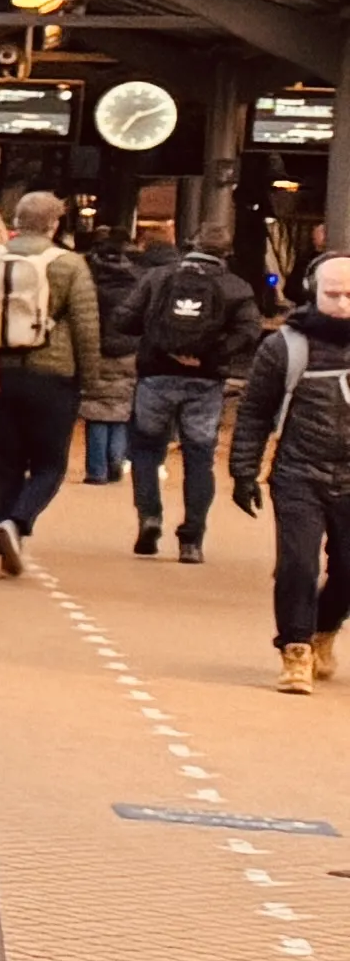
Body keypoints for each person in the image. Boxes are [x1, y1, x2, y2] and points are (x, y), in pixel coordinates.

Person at [230, 248, 350, 689]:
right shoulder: (284, 347)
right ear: (312, 292)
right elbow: (254, 412)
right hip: (300, 473)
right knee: (297, 564)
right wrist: (244, 471)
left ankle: (324, 628)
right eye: (333, 294)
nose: (342, 304)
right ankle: (295, 650)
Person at [115, 208, 262, 559]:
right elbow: (250, 332)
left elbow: (124, 319)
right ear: (226, 253)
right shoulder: (236, 287)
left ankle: (149, 517)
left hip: (156, 375)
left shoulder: (158, 277)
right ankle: (192, 538)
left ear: (190, 244)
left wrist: (160, 340)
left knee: (147, 451)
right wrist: (211, 355)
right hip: (205, 381)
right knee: (199, 457)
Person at [0, 186, 102, 574]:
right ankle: (17, 522)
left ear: (15, 220)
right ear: (54, 223)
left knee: (6, 460)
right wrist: (90, 379)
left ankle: (3, 554)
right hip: (52, 376)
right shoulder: (69, 264)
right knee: (49, 464)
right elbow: (85, 326)